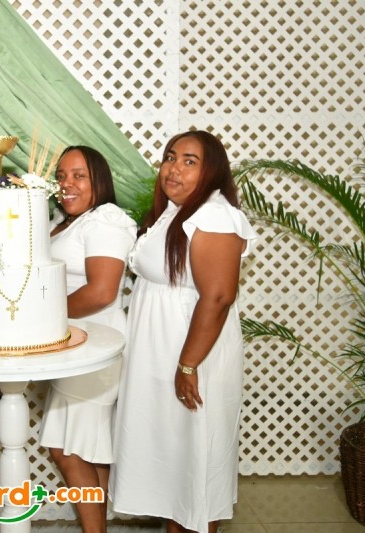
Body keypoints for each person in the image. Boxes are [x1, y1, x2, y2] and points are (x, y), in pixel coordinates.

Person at [110, 131, 258, 533]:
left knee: (196, 464)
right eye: (170, 158)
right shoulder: (176, 212)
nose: (174, 168)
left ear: (212, 171)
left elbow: (218, 296)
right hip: (162, 353)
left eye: (190, 161)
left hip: (192, 354)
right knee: (176, 468)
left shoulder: (215, 215)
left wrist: (188, 365)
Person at [38, 146, 136, 533]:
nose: (67, 184)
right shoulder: (66, 221)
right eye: (61, 176)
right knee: (89, 449)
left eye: (79, 175)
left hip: (98, 343)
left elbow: (102, 292)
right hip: (75, 343)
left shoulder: (106, 220)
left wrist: (43, 320)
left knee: (70, 449)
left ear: (100, 180)